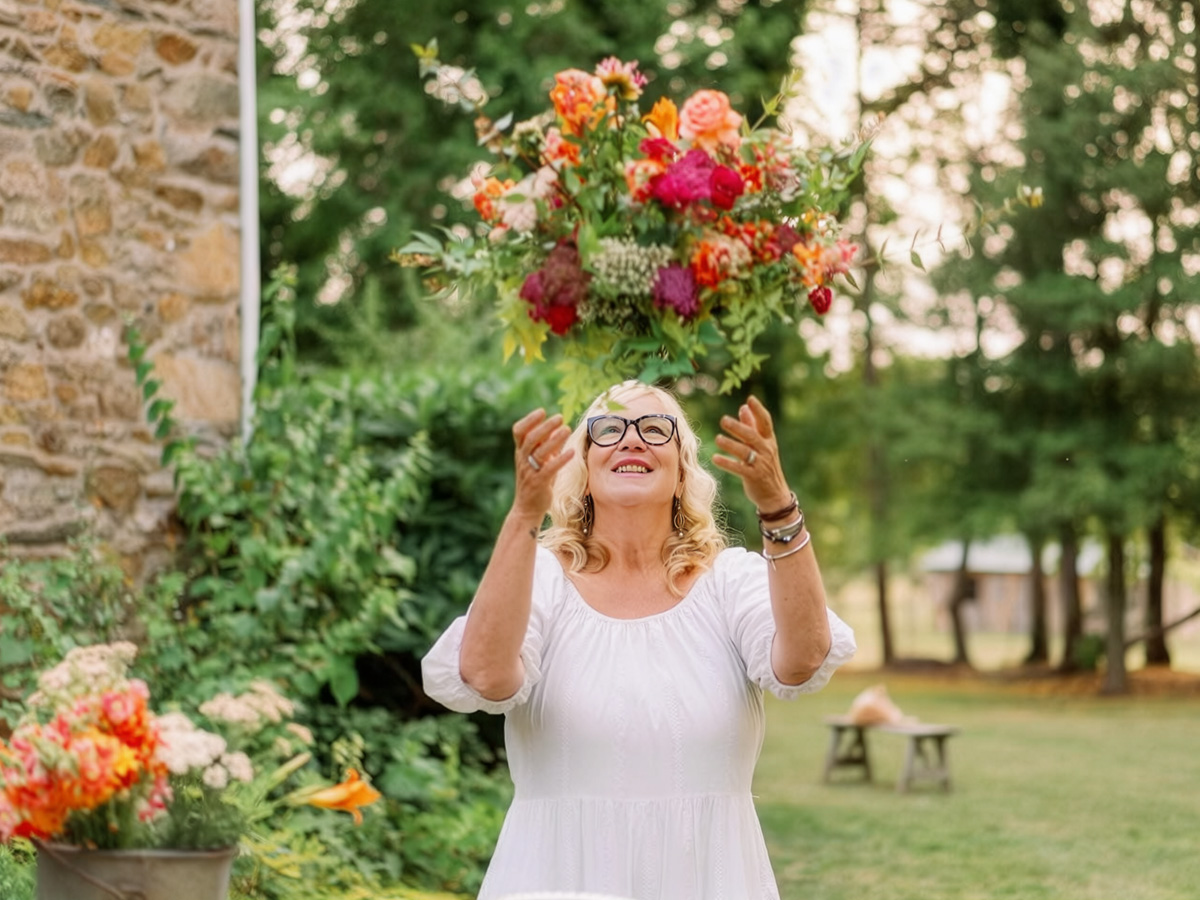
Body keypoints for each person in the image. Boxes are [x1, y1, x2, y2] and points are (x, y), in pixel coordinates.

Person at [422, 381, 855, 900]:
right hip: (555, 877)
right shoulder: (539, 579)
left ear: (681, 472)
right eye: (609, 430)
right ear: (582, 470)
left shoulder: (729, 582)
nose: (632, 440)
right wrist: (523, 514)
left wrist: (779, 508)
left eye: (655, 429)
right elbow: (486, 676)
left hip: (708, 880)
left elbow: (803, 659)